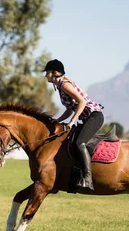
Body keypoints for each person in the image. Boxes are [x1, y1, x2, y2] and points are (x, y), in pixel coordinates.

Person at [43, 59, 105, 189]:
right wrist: (57, 120)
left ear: (54, 73)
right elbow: (70, 109)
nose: (45, 75)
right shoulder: (61, 86)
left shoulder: (64, 85)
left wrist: (71, 122)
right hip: (88, 118)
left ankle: (88, 179)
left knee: (79, 143)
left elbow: (81, 102)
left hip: (94, 116)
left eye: (47, 73)